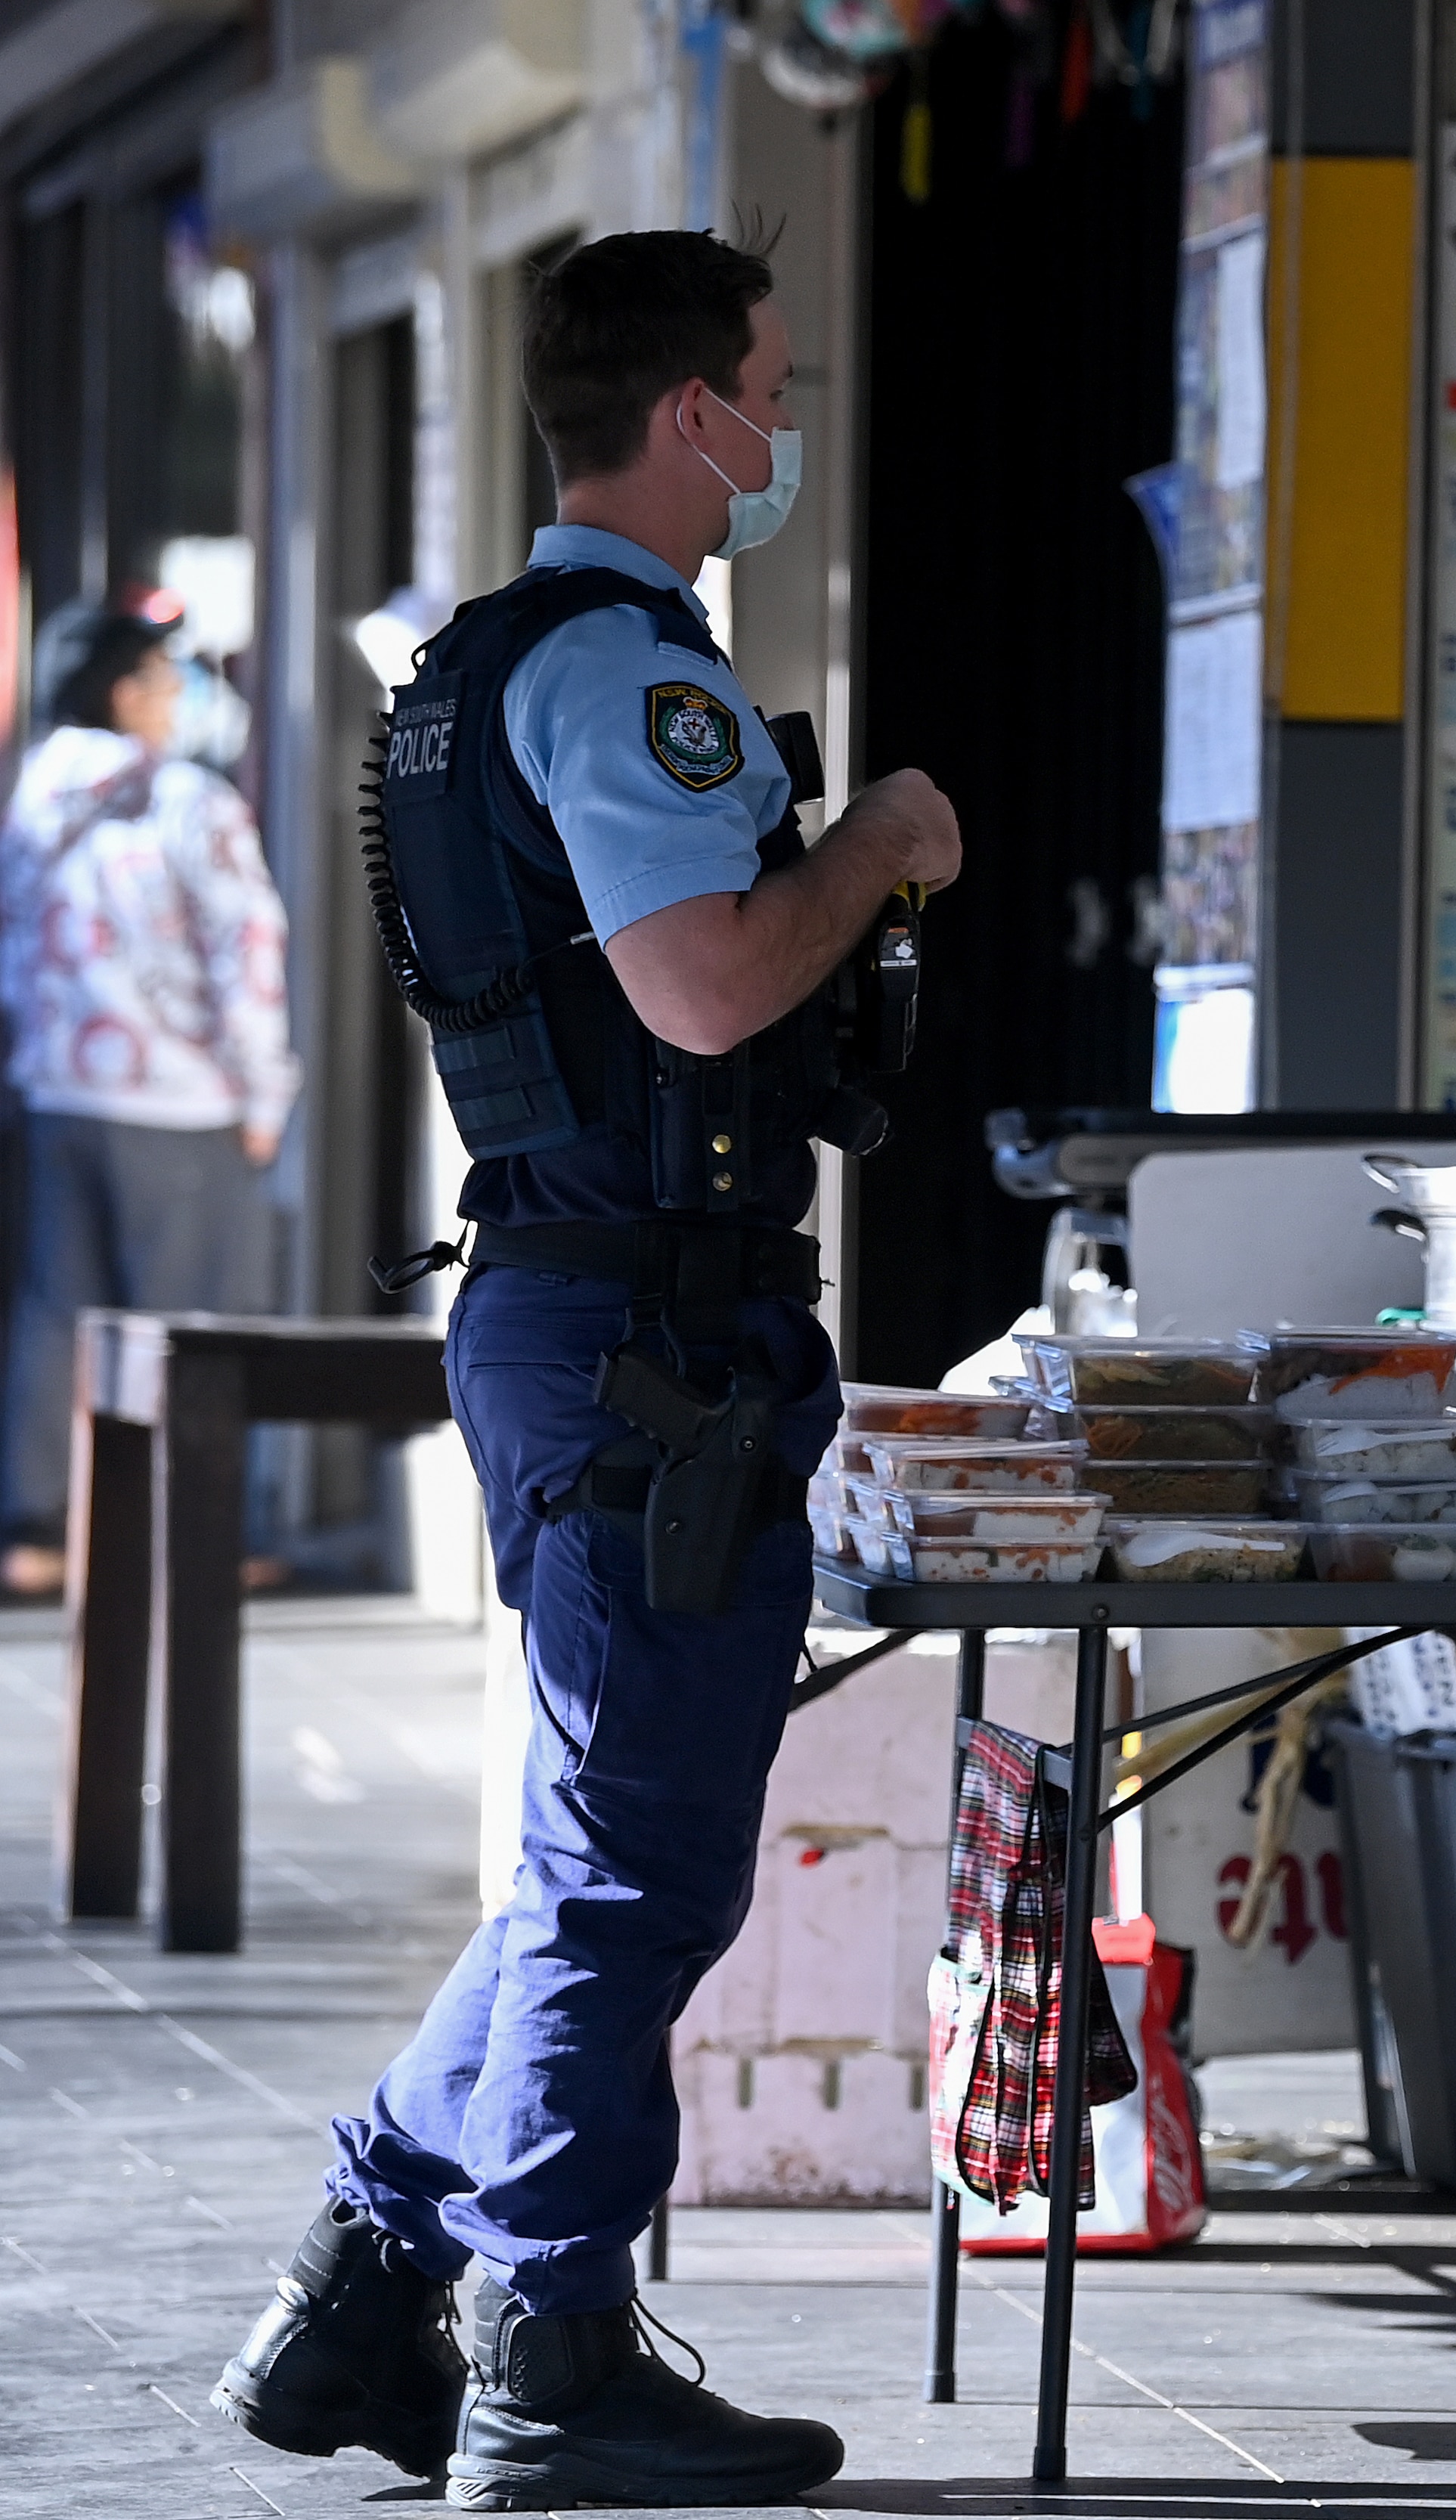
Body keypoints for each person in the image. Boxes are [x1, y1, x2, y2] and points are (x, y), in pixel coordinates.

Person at [211, 228, 962, 2511]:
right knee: (631, 1866)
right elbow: (713, 989)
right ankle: (547, 2347)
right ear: (683, 413)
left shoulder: (467, 661)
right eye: (770, 381)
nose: (785, 422)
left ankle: (363, 2287)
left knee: (606, 1849)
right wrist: (885, 848)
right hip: (653, 1331)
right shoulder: (639, 677)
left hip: (579, 1298)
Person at [0, 612, 299, 1592]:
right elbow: (246, 948)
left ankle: (43, 1531)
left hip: (59, 1089)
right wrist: (265, 1091)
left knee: (60, 1313)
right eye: (168, 675)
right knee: (195, 1325)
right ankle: (198, 1534)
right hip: (179, 1101)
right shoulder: (187, 799)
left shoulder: (36, 793)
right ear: (126, 690)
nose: (180, 694)